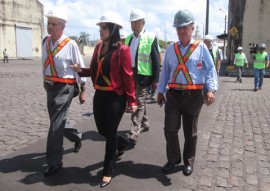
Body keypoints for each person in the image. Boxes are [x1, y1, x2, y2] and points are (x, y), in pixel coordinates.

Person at [70, 15, 137, 188]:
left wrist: (132, 100)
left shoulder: (122, 50)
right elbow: (94, 68)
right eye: (100, 27)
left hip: (116, 96)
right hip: (100, 94)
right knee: (102, 129)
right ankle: (122, 143)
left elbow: (127, 76)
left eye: (104, 27)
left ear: (113, 30)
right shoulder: (99, 47)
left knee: (111, 130)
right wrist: (81, 71)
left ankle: (108, 171)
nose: (100, 30)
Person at [157, 9, 218, 176]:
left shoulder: (201, 48)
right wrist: (161, 91)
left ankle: (188, 161)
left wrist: (211, 90)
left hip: (194, 96)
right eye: (179, 28)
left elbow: (211, 69)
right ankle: (173, 159)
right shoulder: (170, 49)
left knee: (190, 132)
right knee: (170, 129)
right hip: (174, 96)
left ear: (192, 28)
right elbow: (164, 73)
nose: (182, 31)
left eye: (185, 27)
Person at [42, 8, 87, 176]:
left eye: (54, 24)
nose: (50, 27)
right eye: (49, 23)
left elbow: (80, 68)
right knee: (57, 122)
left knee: (55, 125)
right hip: (49, 87)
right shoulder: (45, 41)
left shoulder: (70, 44)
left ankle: (54, 162)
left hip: (65, 88)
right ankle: (77, 136)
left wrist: (83, 89)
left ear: (62, 26)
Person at [124, 8, 160, 143]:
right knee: (139, 102)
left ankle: (134, 131)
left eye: (135, 22)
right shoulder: (128, 38)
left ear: (142, 23)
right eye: (132, 22)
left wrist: (156, 79)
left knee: (138, 102)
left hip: (144, 76)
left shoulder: (150, 37)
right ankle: (145, 124)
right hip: (130, 75)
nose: (133, 25)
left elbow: (156, 59)